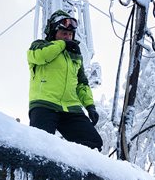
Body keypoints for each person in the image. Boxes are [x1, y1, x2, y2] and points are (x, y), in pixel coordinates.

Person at [27, 9, 103, 151]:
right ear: (53, 33)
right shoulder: (39, 46)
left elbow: (82, 84)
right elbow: (41, 56)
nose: (68, 37)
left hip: (70, 108)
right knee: (40, 145)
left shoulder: (74, 57)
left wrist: (90, 106)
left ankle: (79, 171)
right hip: (45, 104)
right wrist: (62, 45)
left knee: (93, 143)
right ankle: (40, 172)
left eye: (70, 34)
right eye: (64, 33)